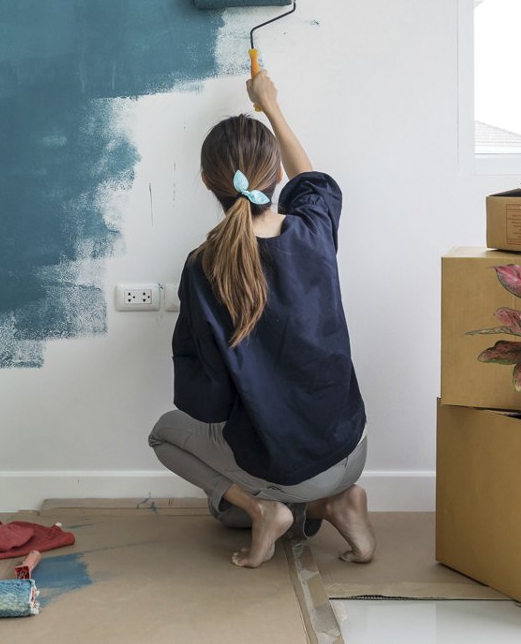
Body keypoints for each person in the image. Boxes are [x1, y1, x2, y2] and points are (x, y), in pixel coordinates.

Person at [148, 69, 373, 569]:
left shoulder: (202, 267)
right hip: (352, 447)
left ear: (208, 183)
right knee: (241, 495)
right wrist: (269, 104)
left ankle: (265, 508)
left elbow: (207, 400)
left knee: (168, 437)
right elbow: (312, 180)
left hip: (292, 467)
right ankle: (335, 500)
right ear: (275, 177)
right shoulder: (313, 230)